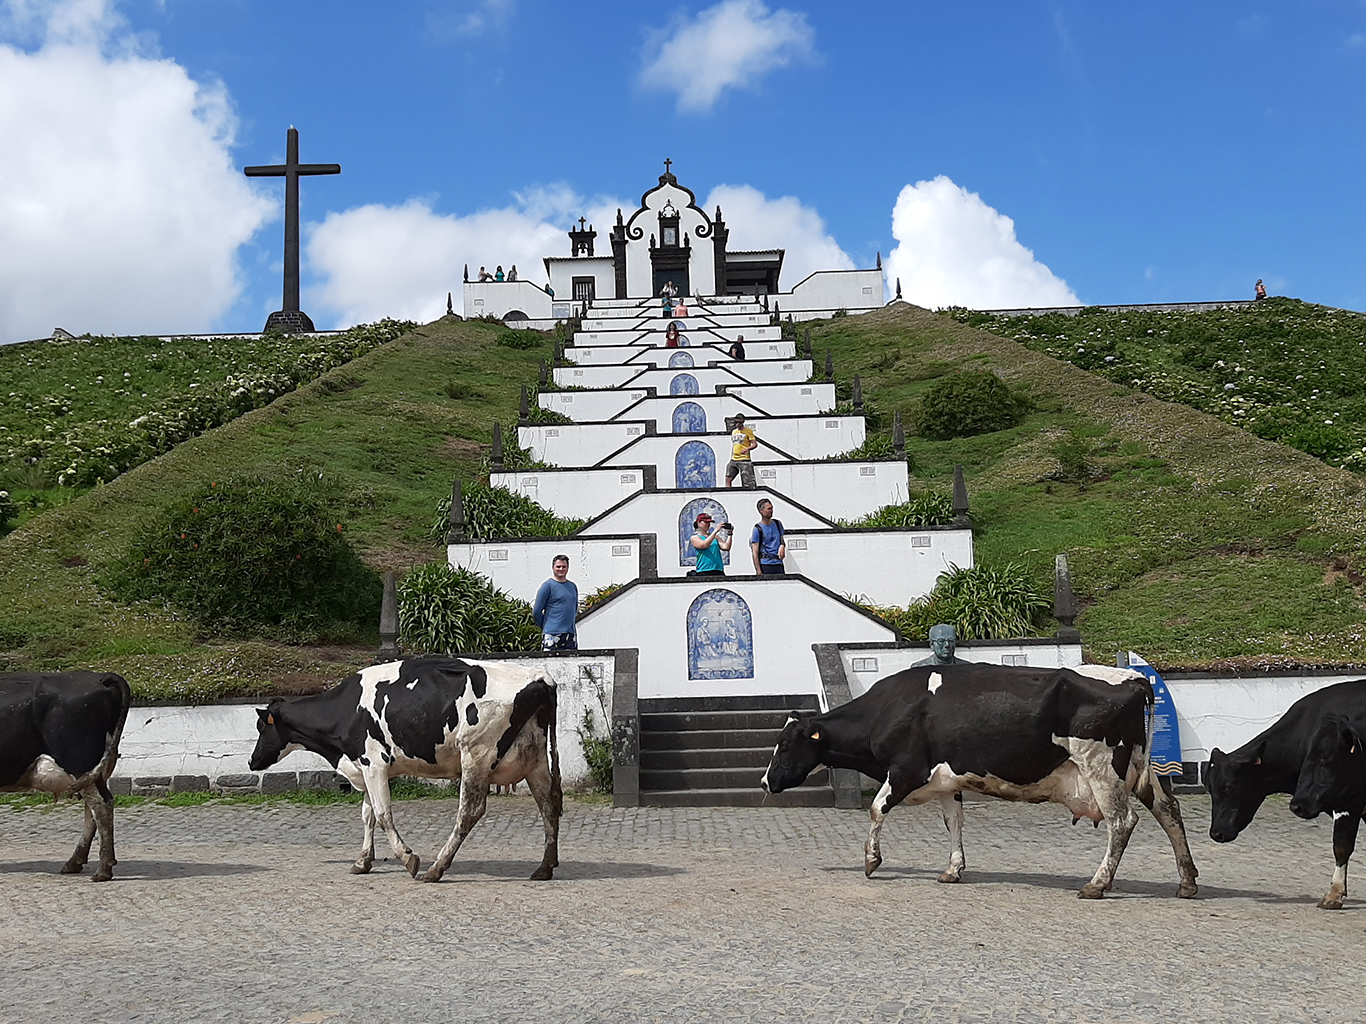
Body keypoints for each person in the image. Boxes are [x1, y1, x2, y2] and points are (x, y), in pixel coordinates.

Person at [532, 554, 579, 650]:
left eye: (564, 566)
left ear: (568, 568)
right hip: (552, 634)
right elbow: (536, 611)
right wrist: (546, 627)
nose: (561, 569)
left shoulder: (572, 586)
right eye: (558, 566)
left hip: (570, 634)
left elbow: (574, 609)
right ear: (553, 567)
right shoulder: (547, 586)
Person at [750, 498, 786, 575]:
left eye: (772, 508)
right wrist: (758, 570)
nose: (771, 511)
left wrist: (782, 545)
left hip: (778, 563)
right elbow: (755, 552)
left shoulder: (777, 524)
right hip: (766, 564)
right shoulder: (757, 529)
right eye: (769, 509)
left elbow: (782, 539)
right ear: (761, 511)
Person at [726, 414, 758, 488]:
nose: (737, 424)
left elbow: (755, 444)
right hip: (734, 459)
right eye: (736, 422)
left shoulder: (748, 431)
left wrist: (747, 448)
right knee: (728, 478)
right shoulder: (734, 432)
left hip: (744, 459)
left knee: (748, 482)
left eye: (739, 423)